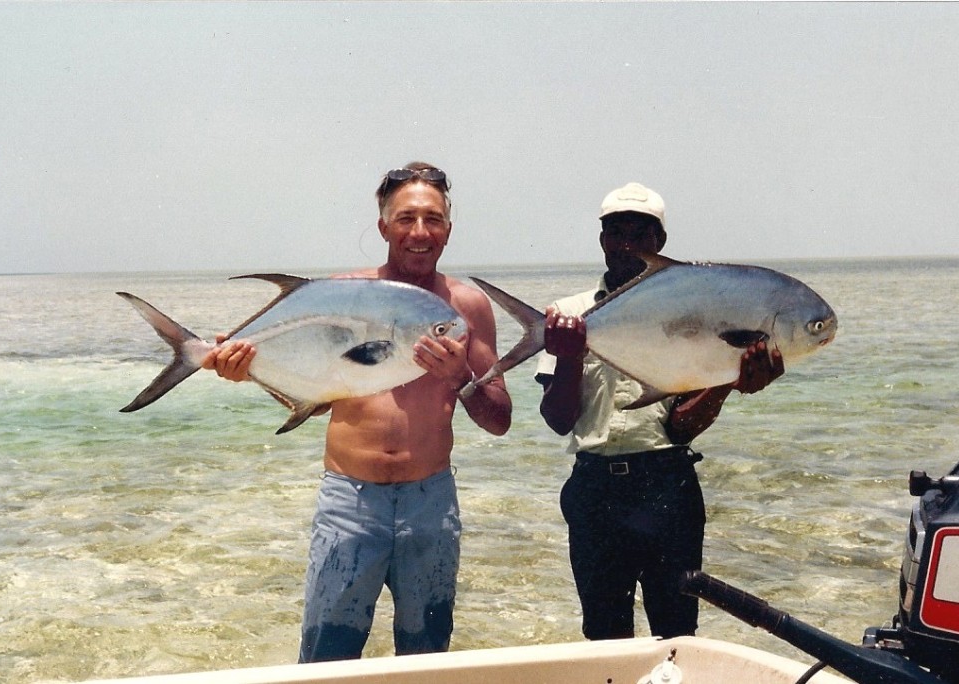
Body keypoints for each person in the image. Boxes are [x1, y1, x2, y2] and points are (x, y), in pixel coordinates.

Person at [203, 162, 512, 661]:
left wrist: (459, 379)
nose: (419, 232)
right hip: (349, 502)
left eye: (432, 219)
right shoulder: (341, 293)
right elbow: (317, 394)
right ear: (383, 226)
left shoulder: (466, 308)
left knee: (427, 658)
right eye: (405, 218)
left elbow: (499, 419)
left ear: (448, 231)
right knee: (327, 659)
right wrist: (241, 368)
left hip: (429, 504)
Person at [534, 182, 784, 640]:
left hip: (667, 488)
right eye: (616, 232)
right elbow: (557, 420)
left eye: (640, 233)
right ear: (602, 240)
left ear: (660, 243)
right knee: (604, 637)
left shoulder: (694, 316)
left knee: (677, 634)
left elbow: (680, 428)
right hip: (594, 492)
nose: (627, 244)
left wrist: (728, 381)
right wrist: (569, 355)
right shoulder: (568, 315)